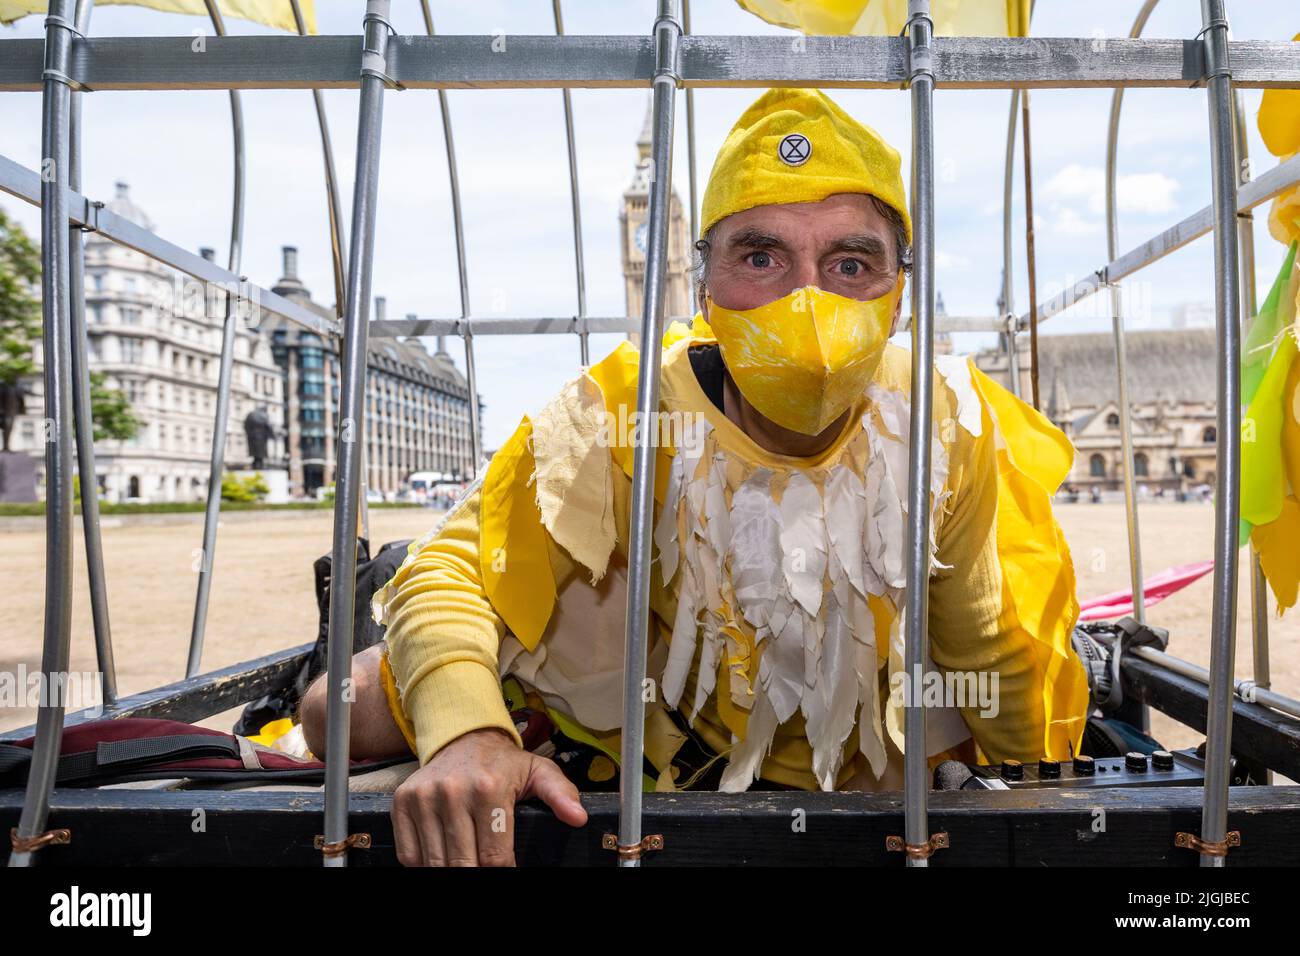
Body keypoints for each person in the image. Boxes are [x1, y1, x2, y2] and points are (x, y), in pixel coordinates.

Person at [299, 88, 1088, 867]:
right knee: (338, 710)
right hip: (648, 704)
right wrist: (468, 735)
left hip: (862, 737)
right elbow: (457, 571)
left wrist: (1043, 807)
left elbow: (989, 639)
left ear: (899, 296)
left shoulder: (941, 421)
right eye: (760, 256)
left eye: (851, 262)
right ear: (703, 285)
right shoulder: (622, 409)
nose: (806, 299)